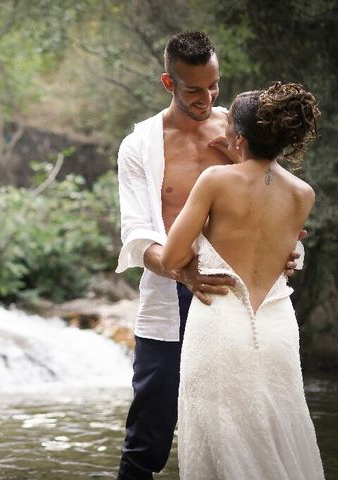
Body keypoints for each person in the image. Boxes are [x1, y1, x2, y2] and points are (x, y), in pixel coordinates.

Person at [114, 32, 302, 480]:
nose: (207, 98)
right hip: (169, 299)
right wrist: (183, 273)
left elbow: (281, 203)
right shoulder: (139, 145)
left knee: (247, 426)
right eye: (193, 90)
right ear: (168, 82)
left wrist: (290, 250)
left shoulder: (242, 130)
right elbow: (138, 233)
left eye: (214, 86)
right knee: (148, 434)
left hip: (241, 297)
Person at [160, 82, 324, 479]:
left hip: (219, 322)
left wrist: (189, 270)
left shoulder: (216, 180)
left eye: (229, 123)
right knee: (279, 430)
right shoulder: (303, 193)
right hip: (278, 328)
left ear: (240, 136)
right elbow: (277, 245)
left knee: (220, 439)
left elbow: (171, 257)